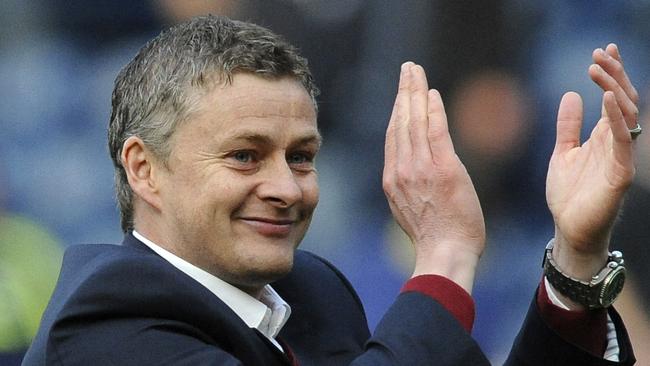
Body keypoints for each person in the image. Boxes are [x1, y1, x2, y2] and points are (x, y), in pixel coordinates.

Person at [24, 15, 639, 365]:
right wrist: (446, 256)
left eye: (302, 157)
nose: (286, 188)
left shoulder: (315, 295)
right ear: (144, 169)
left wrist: (574, 258)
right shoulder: (101, 324)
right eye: (244, 156)